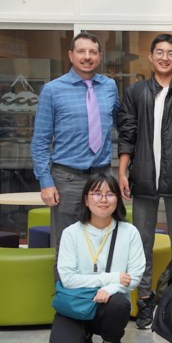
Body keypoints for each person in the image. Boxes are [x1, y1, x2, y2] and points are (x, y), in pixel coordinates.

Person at [117, 33, 172, 329]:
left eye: (171, 53)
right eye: (159, 52)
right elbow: (127, 133)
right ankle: (144, 302)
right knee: (143, 243)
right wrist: (122, 171)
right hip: (143, 180)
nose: (165, 57)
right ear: (151, 57)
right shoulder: (136, 92)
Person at [32, 31, 120, 253]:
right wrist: (45, 181)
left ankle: (99, 288)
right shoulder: (53, 90)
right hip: (66, 179)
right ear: (71, 55)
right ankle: (65, 289)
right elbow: (40, 141)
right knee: (66, 245)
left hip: (103, 177)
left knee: (104, 241)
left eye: (92, 52)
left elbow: (122, 124)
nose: (87, 56)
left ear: (100, 56)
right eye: (81, 51)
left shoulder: (110, 87)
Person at [47, 173, 144, 343]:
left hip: (108, 305)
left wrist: (110, 289)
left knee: (119, 303)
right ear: (86, 199)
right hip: (75, 304)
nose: (103, 200)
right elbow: (67, 279)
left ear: (118, 199)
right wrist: (112, 278)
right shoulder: (71, 233)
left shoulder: (129, 232)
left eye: (110, 194)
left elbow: (134, 277)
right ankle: (84, 336)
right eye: (97, 193)